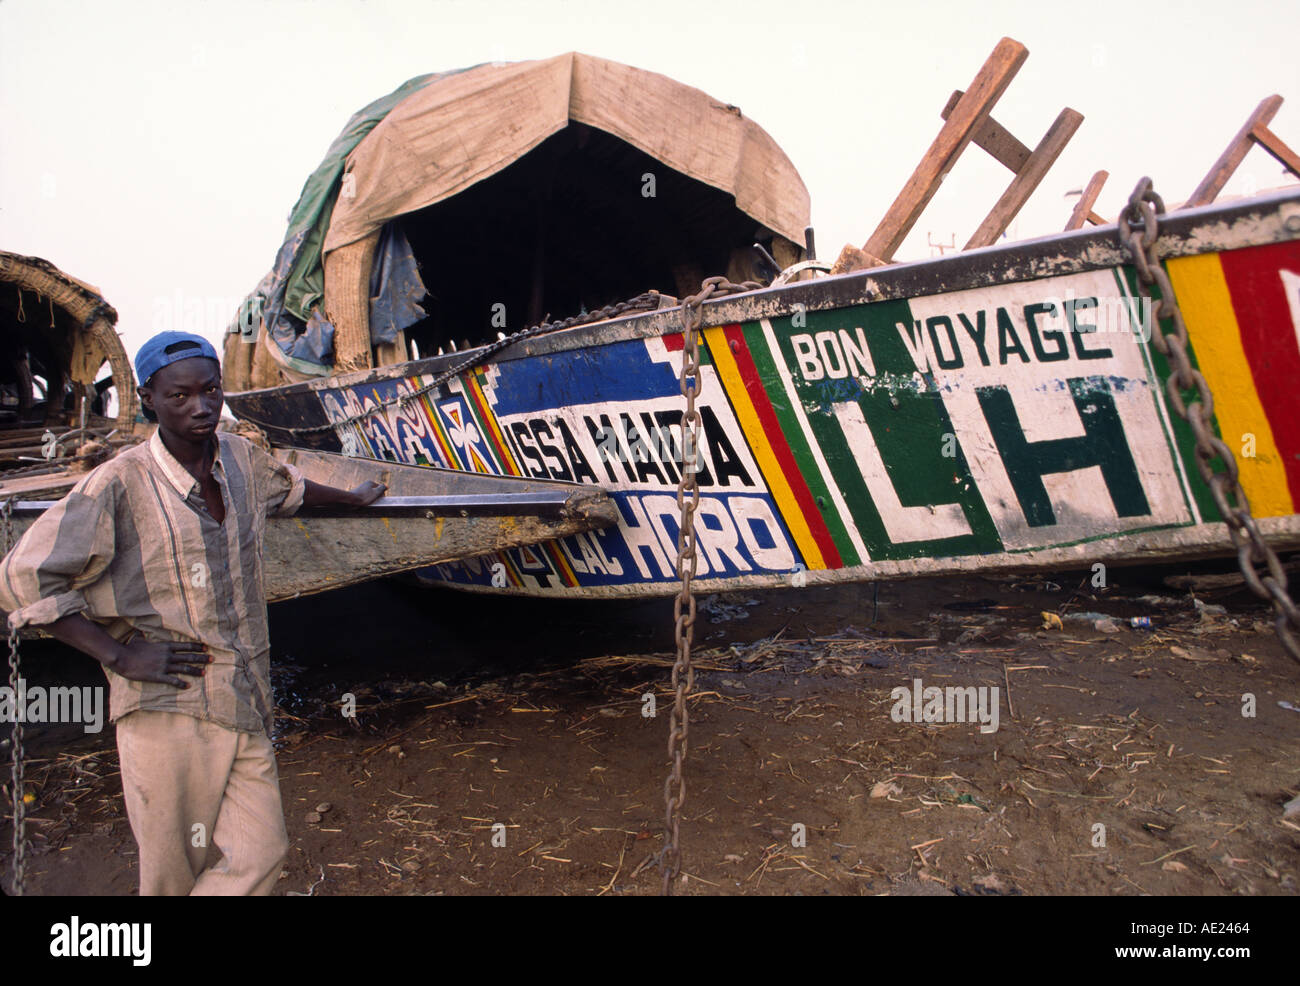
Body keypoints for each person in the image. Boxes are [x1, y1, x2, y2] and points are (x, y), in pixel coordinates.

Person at [0, 330, 385, 895]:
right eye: (180, 396)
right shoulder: (117, 483)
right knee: (171, 873)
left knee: (262, 852)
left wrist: (355, 498)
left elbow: (292, 488)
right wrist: (119, 656)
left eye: (211, 390)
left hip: (243, 694)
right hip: (167, 708)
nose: (201, 407)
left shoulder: (239, 457)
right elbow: (23, 578)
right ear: (148, 397)